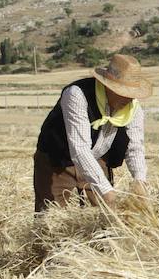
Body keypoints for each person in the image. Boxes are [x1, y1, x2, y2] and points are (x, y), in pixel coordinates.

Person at [34, 53, 152, 212]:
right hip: (57, 159)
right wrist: (106, 191)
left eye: (132, 93)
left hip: (96, 157)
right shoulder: (76, 94)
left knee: (103, 215)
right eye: (124, 91)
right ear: (108, 85)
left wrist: (140, 180)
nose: (129, 98)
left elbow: (135, 147)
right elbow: (80, 150)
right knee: (51, 217)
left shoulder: (133, 108)